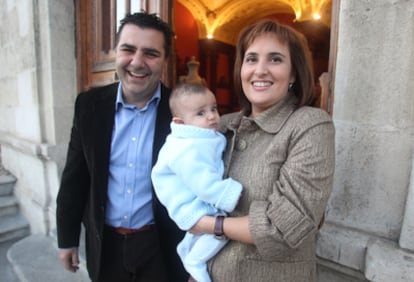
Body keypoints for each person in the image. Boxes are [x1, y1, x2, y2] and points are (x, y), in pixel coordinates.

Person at [190, 20, 335, 282]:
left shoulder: (310, 124)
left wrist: (209, 225)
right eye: (251, 59)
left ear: (293, 73)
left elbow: (283, 227)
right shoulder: (222, 124)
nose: (260, 70)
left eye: (275, 59)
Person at [56, 12, 188, 282]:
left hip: (161, 247)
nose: (137, 62)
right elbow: (75, 177)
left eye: (150, 53)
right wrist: (66, 238)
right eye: (128, 50)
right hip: (105, 246)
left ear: (164, 60)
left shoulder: (184, 111)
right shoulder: (88, 105)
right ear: (116, 51)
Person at [151, 83, 243, 282]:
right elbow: (203, 183)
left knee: (203, 234)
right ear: (181, 122)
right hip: (189, 206)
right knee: (219, 234)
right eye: (201, 113)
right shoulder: (187, 148)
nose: (211, 116)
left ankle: (185, 249)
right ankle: (194, 261)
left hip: (193, 201)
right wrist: (229, 194)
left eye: (214, 108)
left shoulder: (199, 138)